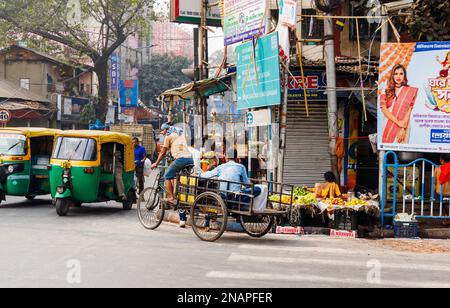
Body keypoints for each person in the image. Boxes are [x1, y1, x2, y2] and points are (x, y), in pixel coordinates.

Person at [151, 123, 194, 227]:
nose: (162, 133)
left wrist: (156, 163)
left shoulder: (168, 137)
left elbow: (162, 153)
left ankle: (170, 197)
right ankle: (182, 220)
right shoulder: (179, 134)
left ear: (166, 130)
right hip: (189, 159)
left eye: (162, 131)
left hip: (181, 159)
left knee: (166, 176)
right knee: (180, 189)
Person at [380, 64, 419, 144]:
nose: (398, 76)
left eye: (401, 74)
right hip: (388, 124)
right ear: (392, 75)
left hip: (404, 126)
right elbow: (383, 109)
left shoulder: (410, 91)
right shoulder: (386, 89)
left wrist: (403, 129)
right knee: (387, 149)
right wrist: (398, 122)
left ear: (404, 75)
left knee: (402, 151)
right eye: (396, 74)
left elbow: (409, 111)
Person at [434, 154, 450, 224]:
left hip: (440, 192)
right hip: (449, 192)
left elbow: (434, 181)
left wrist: (434, 189)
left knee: (437, 198)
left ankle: (447, 218)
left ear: (442, 160)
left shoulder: (437, 168)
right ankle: (447, 217)